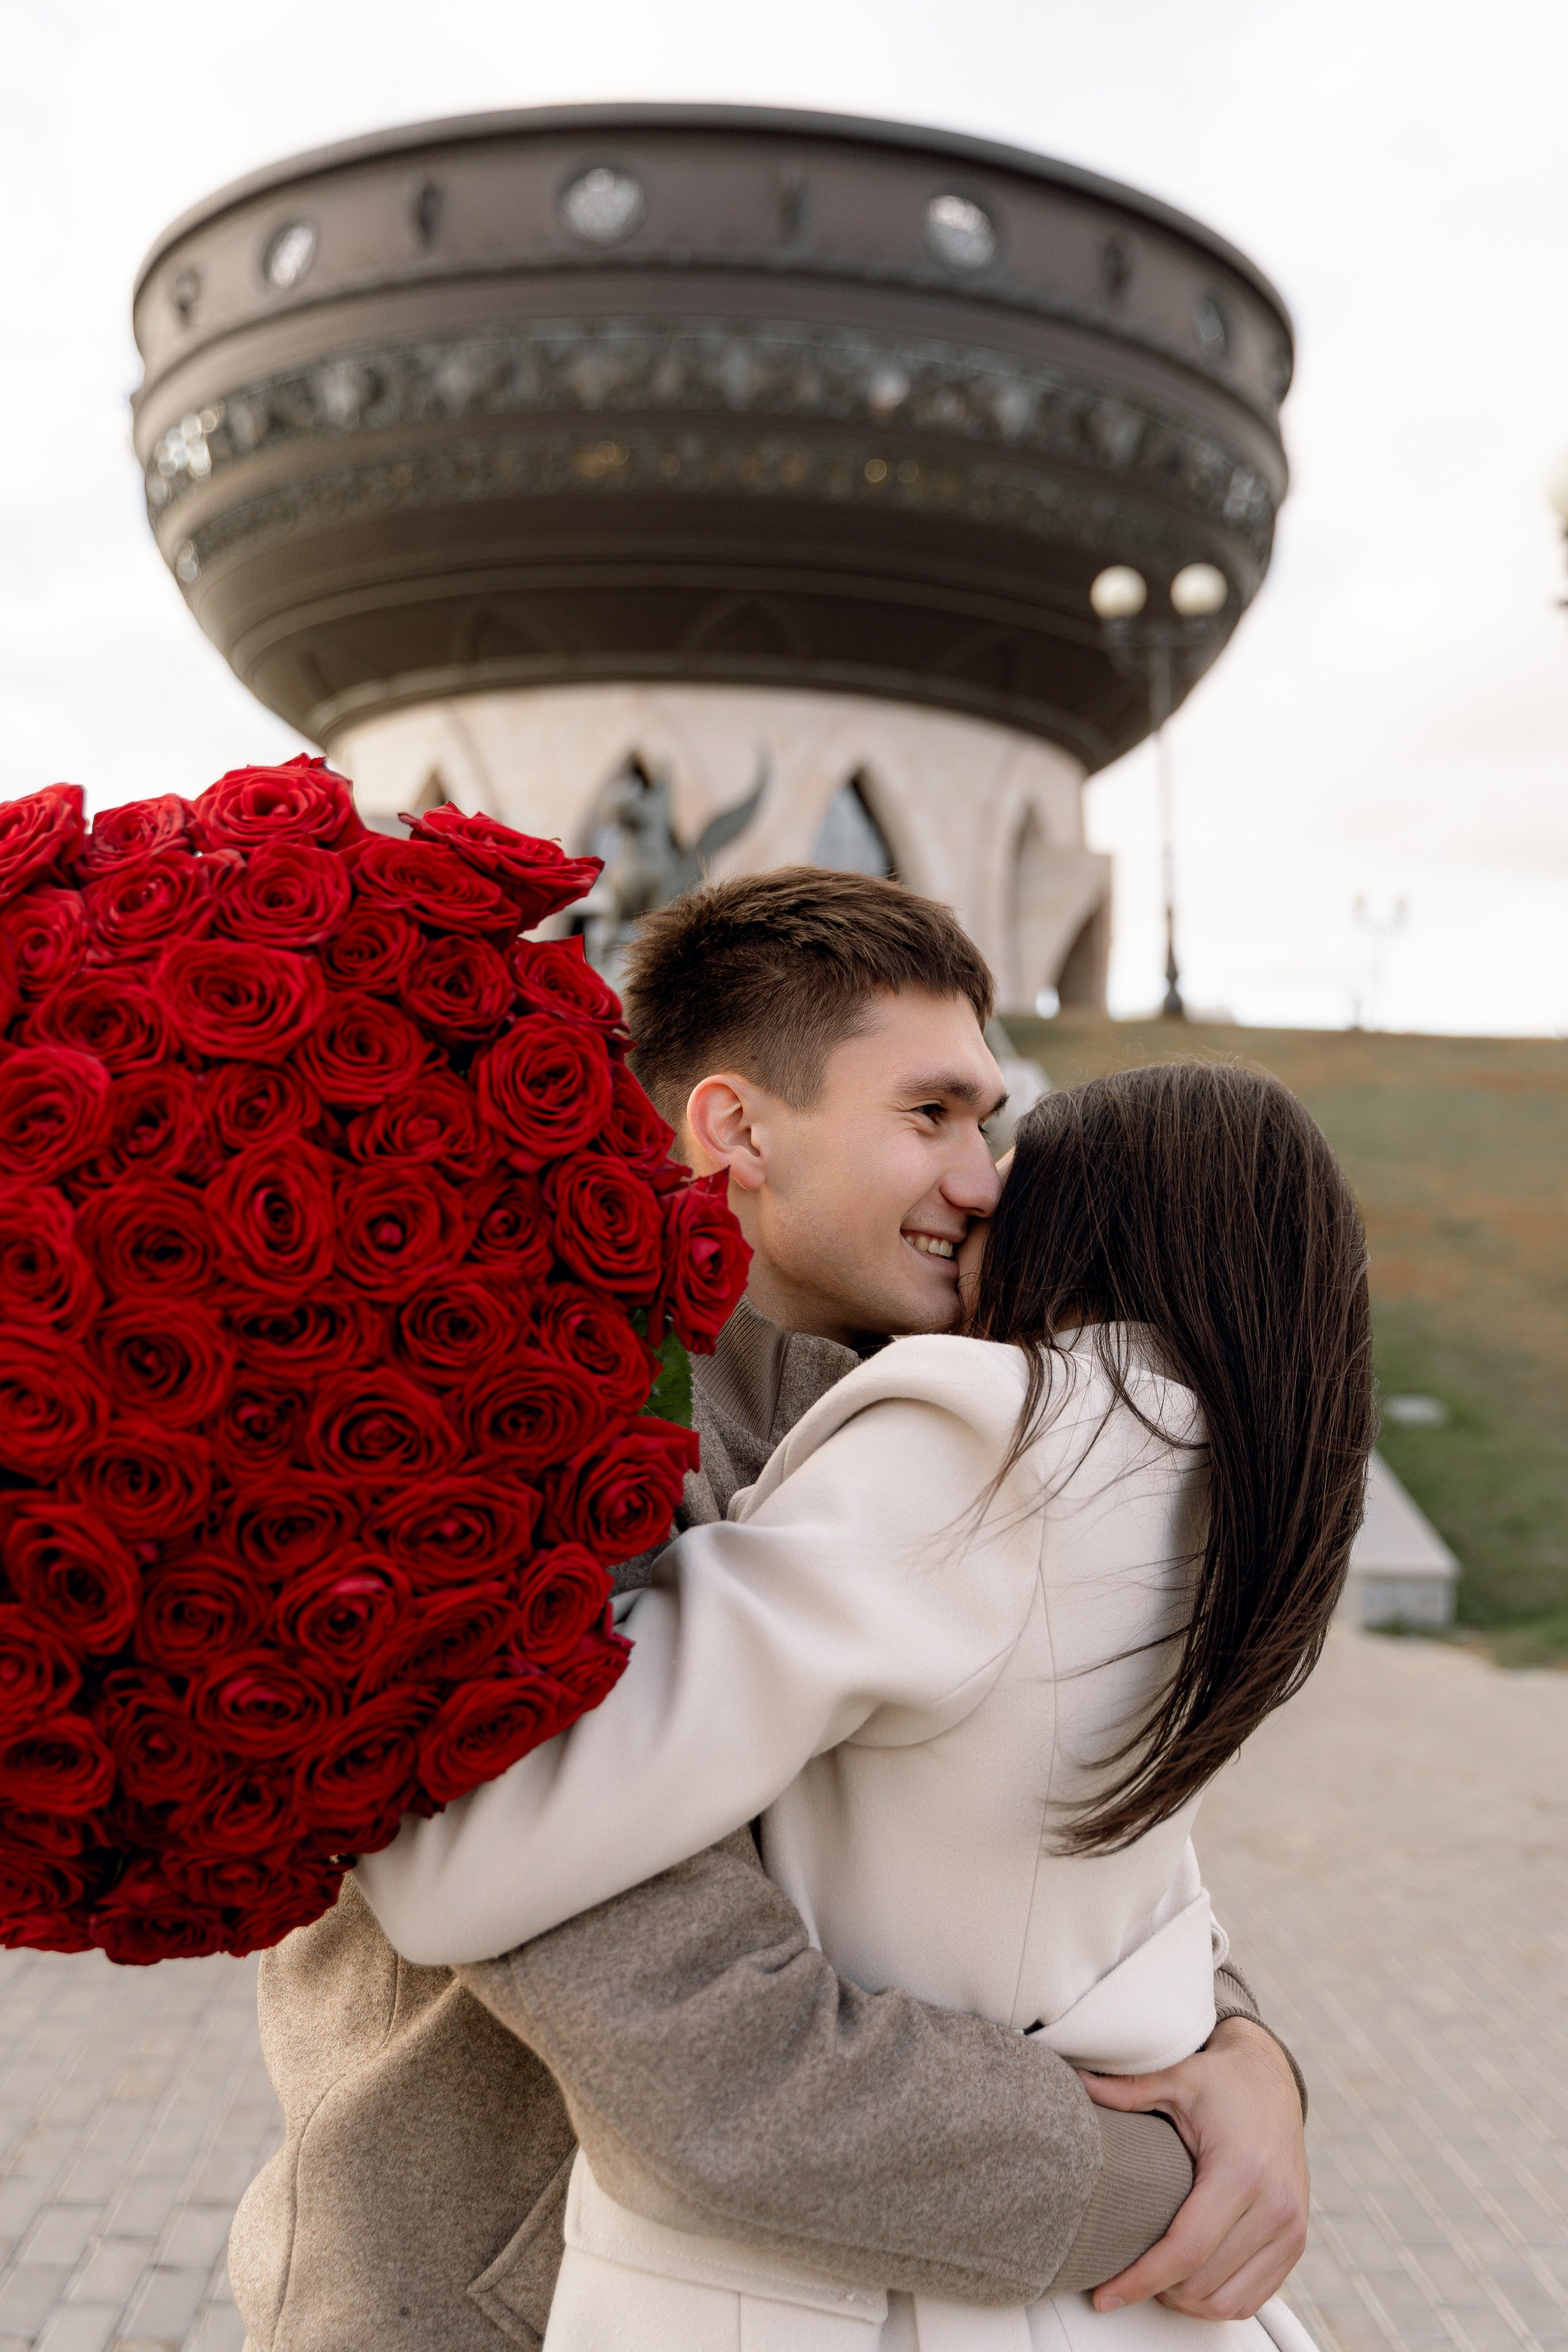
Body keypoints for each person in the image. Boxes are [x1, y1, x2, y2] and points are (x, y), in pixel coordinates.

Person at [230, 872, 1308, 2352]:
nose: (986, 1176)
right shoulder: (506, 1431)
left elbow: (1038, 1801)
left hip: (835, 2285)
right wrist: (1165, 2180)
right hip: (483, 2299)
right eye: (929, 1116)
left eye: (984, 1120)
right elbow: (696, 2046)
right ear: (735, 1127)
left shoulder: (924, 1407)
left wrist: (1235, 2039)